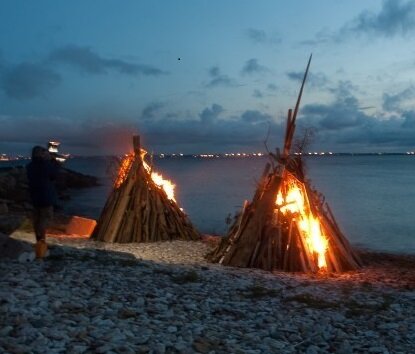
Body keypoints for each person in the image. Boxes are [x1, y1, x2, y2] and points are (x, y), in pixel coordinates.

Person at [26, 146, 60, 259]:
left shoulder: (30, 166)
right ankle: (41, 242)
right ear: (41, 154)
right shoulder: (45, 165)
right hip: (46, 196)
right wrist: (53, 161)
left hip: (34, 195)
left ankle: (39, 242)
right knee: (46, 218)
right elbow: (54, 175)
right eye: (44, 152)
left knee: (37, 218)